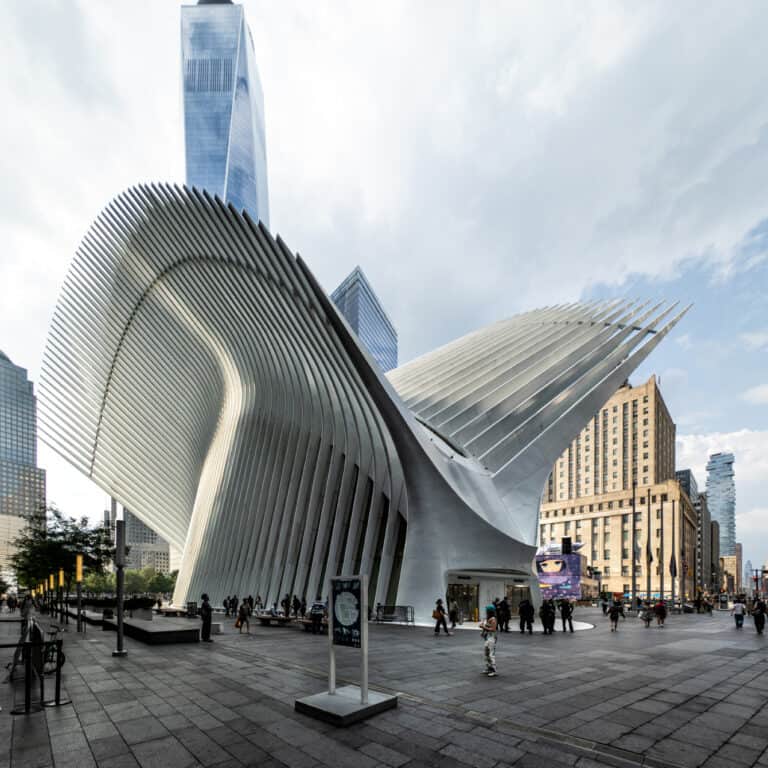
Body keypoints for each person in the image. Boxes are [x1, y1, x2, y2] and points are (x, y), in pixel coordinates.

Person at [479, 604, 498, 677]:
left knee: (491, 654)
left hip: (492, 638)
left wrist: (483, 626)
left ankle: (494, 670)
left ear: (489, 611)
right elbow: (487, 627)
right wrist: (483, 629)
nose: (486, 612)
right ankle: (488, 668)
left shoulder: (493, 619)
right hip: (488, 638)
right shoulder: (488, 619)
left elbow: (493, 629)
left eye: (487, 610)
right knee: (486, 653)